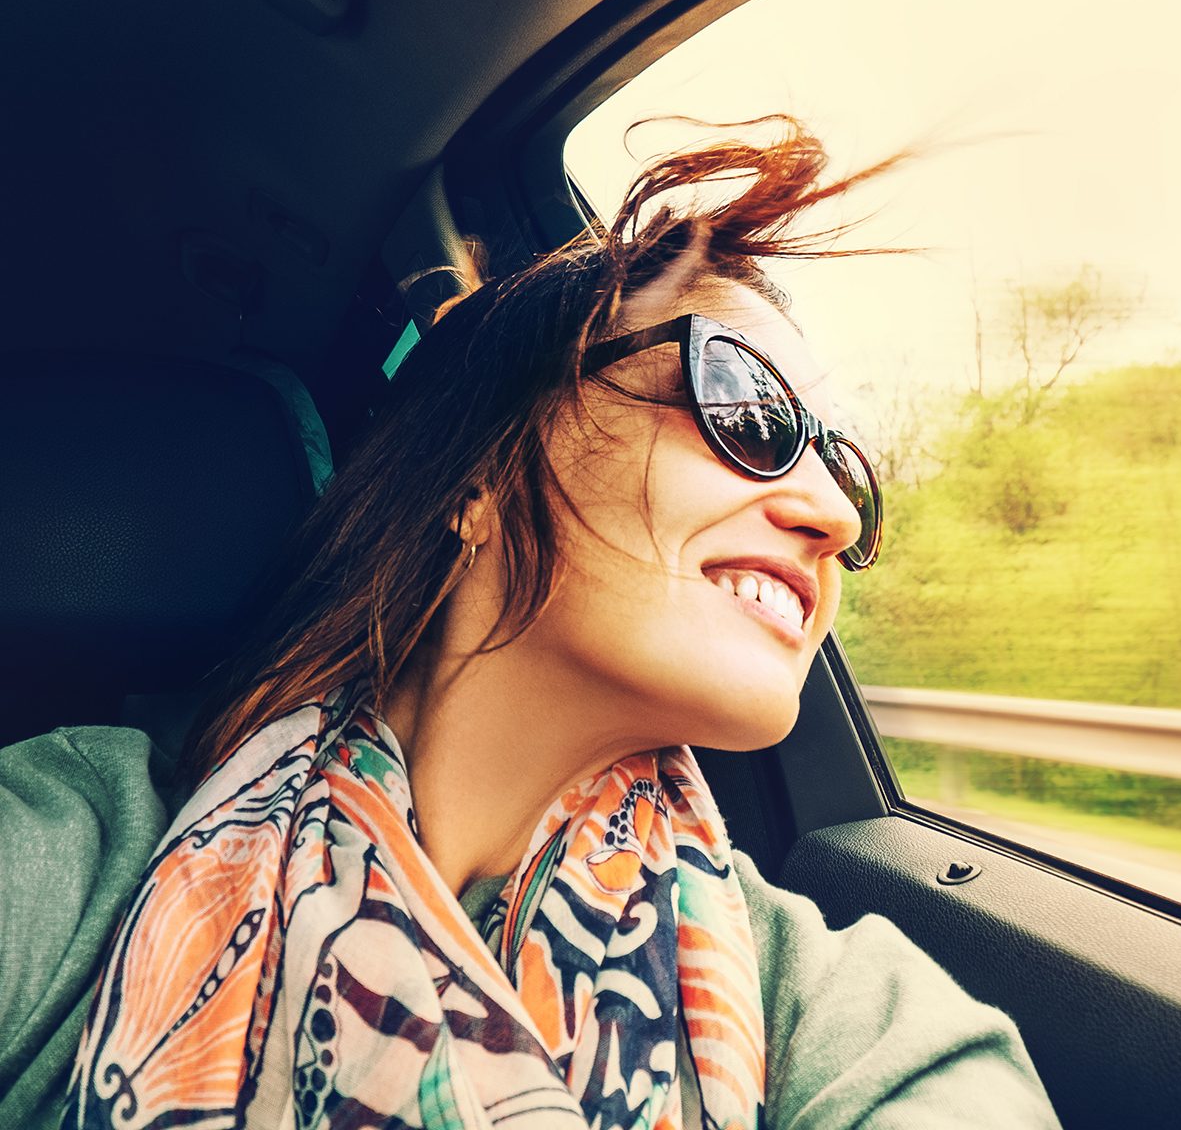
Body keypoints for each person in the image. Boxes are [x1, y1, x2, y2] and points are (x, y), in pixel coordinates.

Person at [62, 118, 1061, 1129]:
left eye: (841, 467)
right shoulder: (80, 858)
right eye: (746, 407)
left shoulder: (803, 993)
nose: (835, 515)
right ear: (484, 475)